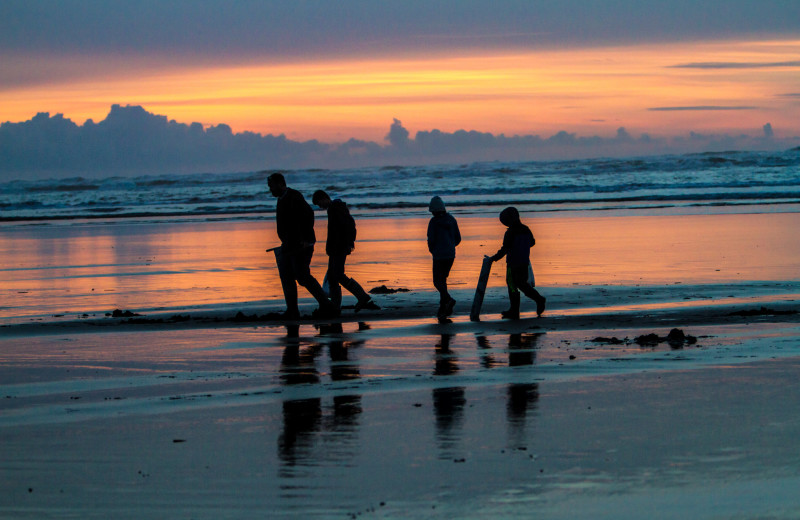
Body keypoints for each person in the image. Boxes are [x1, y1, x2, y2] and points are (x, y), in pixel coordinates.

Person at [267, 172, 336, 319]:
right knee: (286, 276)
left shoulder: (294, 196)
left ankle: (326, 304)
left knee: (302, 276)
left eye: (271, 186)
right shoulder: (281, 199)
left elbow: (309, 215)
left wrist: (304, 239)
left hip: (301, 245)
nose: (270, 190)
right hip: (288, 244)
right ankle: (292, 310)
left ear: (280, 184)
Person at [311, 189, 380, 313]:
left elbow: (346, 226)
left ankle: (359, 297)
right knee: (334, 277)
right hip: (337, 247)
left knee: (337, 275)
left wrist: (347, 243)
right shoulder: (335, 207)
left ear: (323, 198)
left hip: (338, 248)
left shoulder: (335, 208)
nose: (320, 207)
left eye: (319, 204)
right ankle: (338, 305)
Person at [488, 206, 546, 319]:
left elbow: (505, 249)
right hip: (524, 262)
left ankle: (521, 307)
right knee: (522, 284)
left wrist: (493, 258)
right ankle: (530, 302)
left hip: (513, 264)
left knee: (512, 285)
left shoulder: (510, 232)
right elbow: (532, 242)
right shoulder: (526, 229)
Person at [427, 196, 461, 319]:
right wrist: (450, 246)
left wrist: (433, 250)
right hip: (450, 254)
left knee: (437, 281)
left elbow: (431, 239)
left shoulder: (434, 222)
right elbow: (458, 238)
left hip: (439, 256)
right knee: (443, 279)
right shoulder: (452, 219)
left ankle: (448, 299)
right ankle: (443, 303)